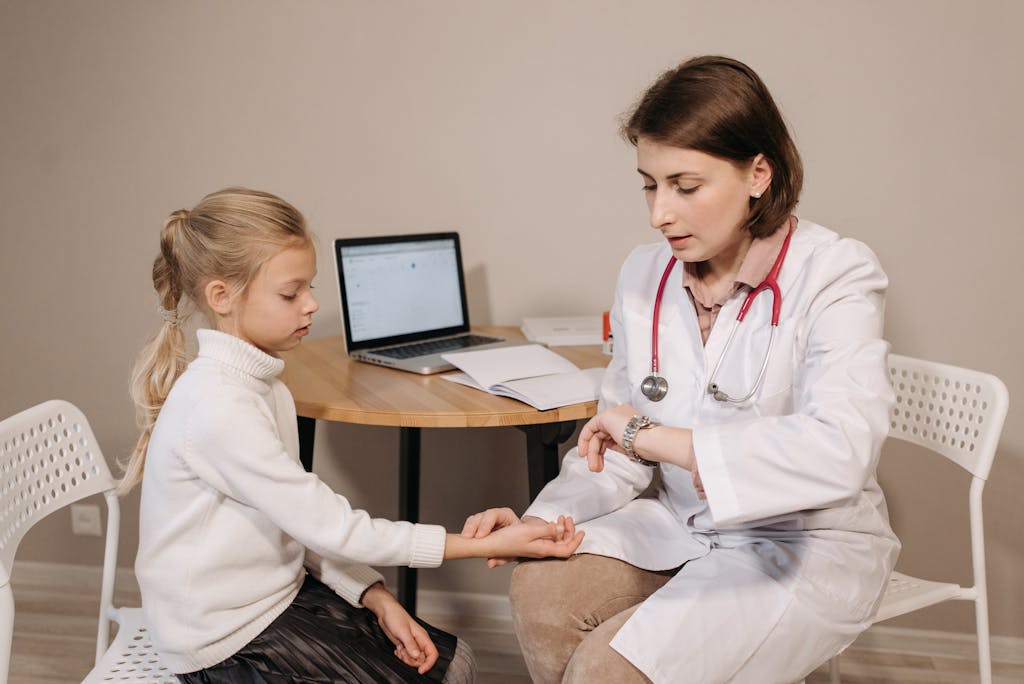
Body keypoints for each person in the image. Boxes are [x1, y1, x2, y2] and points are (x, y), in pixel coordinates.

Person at [461, 56, 900, 683]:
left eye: (685, 187)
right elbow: (613, 448)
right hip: (679, 522)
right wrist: (538, 521)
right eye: (649, 184)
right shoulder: (645, 274)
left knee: (605, 671)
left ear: (758, 172)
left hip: (803, 544)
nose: (658, 213)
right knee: (541, 591)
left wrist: (652, 436)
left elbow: (839, 447)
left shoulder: (835, 272)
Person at [120, 187, 584, 683]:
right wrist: (480, 545)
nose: (312, 304)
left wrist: (374, 595)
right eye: (290, 293)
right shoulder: (219, 406)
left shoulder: (265, 386)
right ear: (222, 297)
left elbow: (302, 524)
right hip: (223, 640)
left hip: (276, 594)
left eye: (310, 287)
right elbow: (332, 526)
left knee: (455, 662)